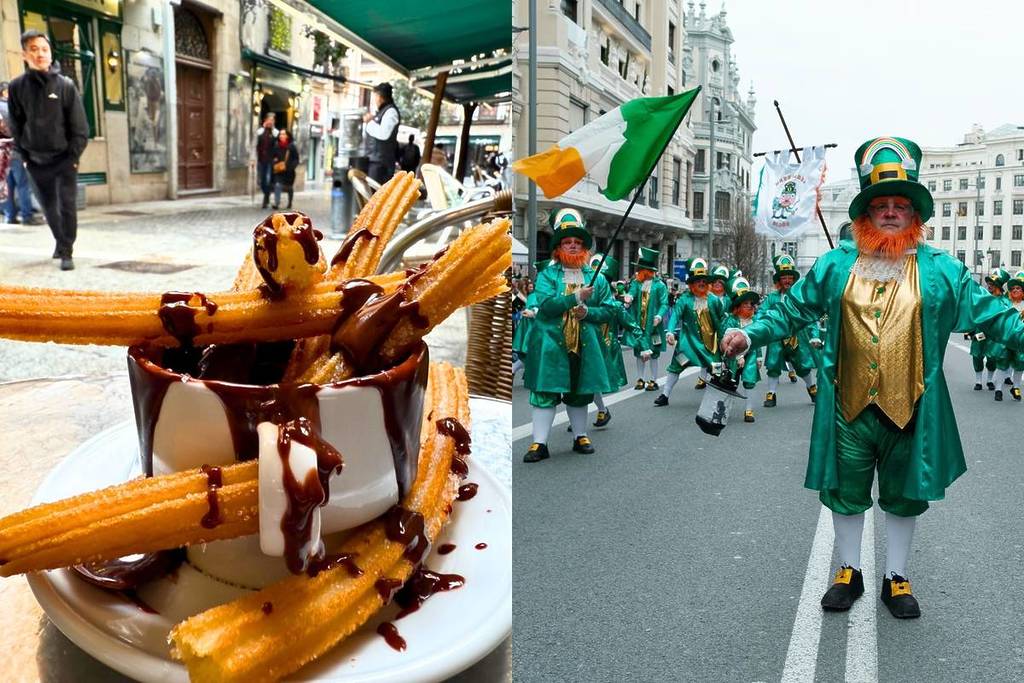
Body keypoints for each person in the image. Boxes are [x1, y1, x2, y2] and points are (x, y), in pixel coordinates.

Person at [721, 136, 1024, 619]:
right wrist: (749, 334)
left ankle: (896, 576)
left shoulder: (943, 270)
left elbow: (996, 316)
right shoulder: (835, 264)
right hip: (848, 406)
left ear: (914, 214)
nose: (890, 213)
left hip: (913, 406)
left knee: (904, 495)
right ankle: (849, 571)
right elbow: (791, 310)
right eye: (880, 205)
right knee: (846, 490)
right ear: (865, 213)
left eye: (899, 205)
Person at [522, 209, 614, 462]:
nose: (573, 246)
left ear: (584, 247)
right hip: (551, 345)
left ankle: (580, 436)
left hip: (584, 345)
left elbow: (609, 310)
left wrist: (589, 313)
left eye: (577, 242)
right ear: (559, 247)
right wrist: (575, 297)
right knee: (544, 392)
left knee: (579, 391)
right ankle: (539, 443)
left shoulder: (597, 279)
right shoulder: (547, 276)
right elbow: (546, 306)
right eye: (567, 242)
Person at [7, 30, 88, 271]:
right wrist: (24, 157)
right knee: (49, 207)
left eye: (44, 49)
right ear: (25, 55)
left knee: (67, 206)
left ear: (50, 53)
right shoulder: (17, 87)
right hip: (35, 160)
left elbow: (80, 127)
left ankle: (66, 250)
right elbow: (16, 124)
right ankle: (60, 241)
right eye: (34, 49)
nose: (40, 54)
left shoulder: (65, 86)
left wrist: (73, 157)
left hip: (64, 159)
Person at [653, 257, 727, 407]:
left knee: (718, 370)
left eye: (704, 280)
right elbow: (675, 315)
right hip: (687, 344)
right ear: (692, 283)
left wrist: (724, 339)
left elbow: (722, 320)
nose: (701, 283)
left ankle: (718, 401)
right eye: (697, 280)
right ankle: (665, 395)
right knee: (676, 366)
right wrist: (670, 332)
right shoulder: (685, 300)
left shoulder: (714, 300)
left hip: (711, 346)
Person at [758, 254, 819, 407]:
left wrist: (815, 335)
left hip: (797, 337)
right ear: (779, 280)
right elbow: (761, 313)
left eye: (789, 277)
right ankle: (771, 395)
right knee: (773, 365)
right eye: (784, 277)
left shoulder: (800, 297)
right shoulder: (772, 298)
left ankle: (812, 389)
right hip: (777, 338)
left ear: (794, 279)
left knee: (803, 366)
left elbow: (810, 317)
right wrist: (762, 325)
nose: (787, 280)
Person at [623, 247, 668, 391]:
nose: (639, 272)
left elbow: (664, 303)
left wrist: (659, 316)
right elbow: (631, 293)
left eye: (641, 269)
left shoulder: (659, 286)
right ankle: (640, 379)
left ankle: (653, 380)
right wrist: (628, 298)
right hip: (638, 324)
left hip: (653, 325)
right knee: (639, 351)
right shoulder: (636, 283)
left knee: (654, 352)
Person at [720, 274, 762, 422]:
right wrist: (738, 357)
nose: (750, 306)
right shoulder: (730, 321)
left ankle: (749, 410)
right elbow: (727, 342)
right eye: (745, 303)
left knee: (750, 381)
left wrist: (758, 356)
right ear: (737, 306)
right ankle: (722, 410)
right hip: (733, 356)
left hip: (750, 355)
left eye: (751, 303)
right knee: (729, 382)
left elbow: (757, 340)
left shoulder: (754, 321)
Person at [967, 269, 1008, 391]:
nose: (989, 285)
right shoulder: (983, 297)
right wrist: (971, 329)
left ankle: (990, 380)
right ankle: (978, 381)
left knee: (993, 356)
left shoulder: (1005, 301)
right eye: (989, 283)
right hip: (981, 332)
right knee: (977, 354)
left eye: (992, 283)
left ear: (999, 285)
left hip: (994, 334)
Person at [363, 82, 400, 184]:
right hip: (375, 162)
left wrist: (369, 122)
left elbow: (384, 134)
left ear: (380, 97)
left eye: (375, 96)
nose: (374, 100)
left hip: (381, 164)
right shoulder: (382, 111)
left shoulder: (391, 112)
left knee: (376, 192)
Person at [996, 270, 1024, 401]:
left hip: (1020, 341)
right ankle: (998, 389)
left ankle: (1016, 387)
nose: (1015, 290)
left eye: (1018, 288)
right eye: (1013, 288)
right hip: (1006, 339)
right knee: (1003, 363)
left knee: (1020, 363)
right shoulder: (1006, 304)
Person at [270, 129, 299, 210]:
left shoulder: (292, 146)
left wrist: (292, 167)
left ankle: (290, 203)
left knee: (289, 188)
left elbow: (296, 159)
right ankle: (277, 203)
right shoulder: (276, 146)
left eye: (283, 134)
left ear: (287, 136)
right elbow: (272, 157)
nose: (281, 136)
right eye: (280, 134)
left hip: (289, 171)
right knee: (277, 185)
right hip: (279, 171)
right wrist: (274, 162)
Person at [255, 113, 277, 209]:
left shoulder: (275, 132)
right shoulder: (260, 131)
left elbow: (277, 146)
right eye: (269, 120)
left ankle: (265, 199)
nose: (270, 122)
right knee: (261, 181)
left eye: (272, 120)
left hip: (270, 161)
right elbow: (255, 145)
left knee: (268, 180)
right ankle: (267, 195)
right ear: (265, 120)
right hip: (261, 160)